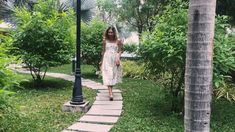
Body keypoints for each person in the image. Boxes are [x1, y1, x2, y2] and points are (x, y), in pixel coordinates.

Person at [100, 26, 123, 101]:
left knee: (112, 75)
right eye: (109, 32)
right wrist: (101, 61)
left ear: (114, 32)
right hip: (107, 59)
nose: (110, 33)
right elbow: (103, 51)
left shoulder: (118, 40)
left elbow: (120, 51)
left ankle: (110, 90)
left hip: (114, 59)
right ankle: (110, 93)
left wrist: (118, 59)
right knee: (109, 74)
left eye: (112, 32)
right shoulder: (105, 40)